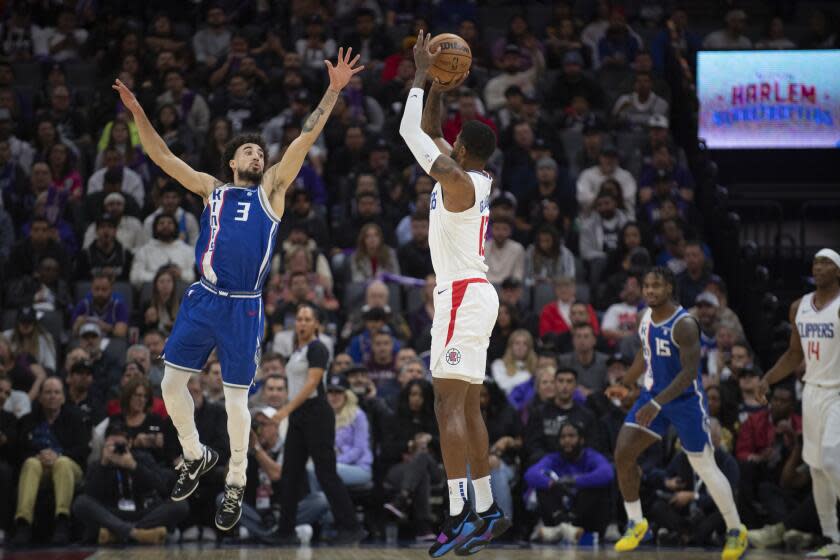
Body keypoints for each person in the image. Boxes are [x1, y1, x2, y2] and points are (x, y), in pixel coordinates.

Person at [110, 47, 363, 531]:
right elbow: (161, 156)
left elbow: (305, 139)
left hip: (244, 307)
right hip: (204, 297)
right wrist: (139, 112)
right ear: (231, 161)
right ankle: (195, 454)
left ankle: (236, 481)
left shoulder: (272, 190)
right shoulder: (212, 190)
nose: (258, 154)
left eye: (261, 152)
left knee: (233, 400)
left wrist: (332, 90)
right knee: (169, 383)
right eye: (249, 151)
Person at [400, 31, 510, 555]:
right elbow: (428, 128)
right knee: (467, 406)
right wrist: (439, 86)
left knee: (448, 407)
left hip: (463, 295)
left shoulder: (458, 181)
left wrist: (423, 73)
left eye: (451, 144)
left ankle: (459, 512)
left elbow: (408, 130)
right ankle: (487, 508)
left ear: (461, 151)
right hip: (473, 294)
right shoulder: (467, 174)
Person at [612, 267, 748, 559]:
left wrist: (657, 403)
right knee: (623, 453)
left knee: (704, 467)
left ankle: (736, 529)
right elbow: (643, 353)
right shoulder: (646, 316)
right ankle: (636, 522)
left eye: (656, 286)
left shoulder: (685, 324)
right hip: (653, 396)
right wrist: (626, 382)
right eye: (646, 286)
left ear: (670, 289)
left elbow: (689, 373)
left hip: (685, 401)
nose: (649, 291)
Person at [758, 248, 840, 559]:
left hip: (838, 393)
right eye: (817, 261)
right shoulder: (799, 306)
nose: (819, 267)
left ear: (838, 271)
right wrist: (768, 379)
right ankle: (833, 540)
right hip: (812, 393)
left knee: (832, 460)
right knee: (818, 469)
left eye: (827, 262)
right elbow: (795, 354)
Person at [271, 303, 366, 544]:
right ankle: (285, 531)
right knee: (290, 474)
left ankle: (352, 527)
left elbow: (312, 383)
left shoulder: (318, 348)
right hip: (299, 416)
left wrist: (285, 410)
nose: (301, 323)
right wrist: (290, 411)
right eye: (299, 319)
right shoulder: (296, 351)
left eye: (306, 319)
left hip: (316, 414)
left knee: (326, 473)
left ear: (316, 324)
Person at [72, 419, 189, 545]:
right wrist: (104, 464)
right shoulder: (99, 464)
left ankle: (117, 534)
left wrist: (134, 466)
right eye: (112, 444)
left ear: (130, 443)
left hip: (143, 512)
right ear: (105, 444)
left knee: (180, 504)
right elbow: (90, 495)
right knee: (80, 502)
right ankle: (137, 534)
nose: (117, 449)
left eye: (121, 445)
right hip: (113, 513)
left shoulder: (142, 458)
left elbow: (161, 485)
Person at [525, 421, 613, 542]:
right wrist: (552, 483)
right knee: (543, 486)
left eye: (571, 436)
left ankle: (559, 530)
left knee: (596, 487)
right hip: (559, 511)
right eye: (563, 437)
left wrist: (576, 480)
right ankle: (564, 527)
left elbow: (607, 473)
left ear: (581, 439)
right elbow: (530, 474)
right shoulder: (553, 458)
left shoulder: (591, 456)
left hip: (584, 513)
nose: (567, 440)